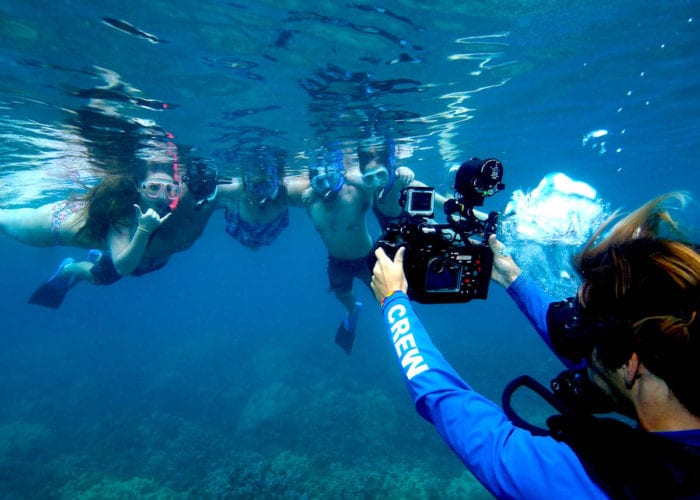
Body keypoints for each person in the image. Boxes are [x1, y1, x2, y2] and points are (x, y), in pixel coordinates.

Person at [370, 193, 699, 498]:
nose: (575, 337)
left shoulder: (604, 482)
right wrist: (512, 276)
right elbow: (586, 347)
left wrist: (394, 302)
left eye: (585, 328)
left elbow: (446, 403)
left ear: (631, 363)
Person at [302, 147, 375, 354]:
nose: (327, 188)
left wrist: (350, 176)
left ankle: (394, 321)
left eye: (331, 179)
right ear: (312, 184)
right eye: (319, 182)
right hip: (336, 261)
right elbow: (281, 189)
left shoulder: (357, 194)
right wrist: (309, 189)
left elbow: (375, 183)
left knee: (383, 295)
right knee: (341, 293)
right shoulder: (308, 201)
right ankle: (353, 310)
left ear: (340, 176)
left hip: (366, 259)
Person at [221, 147, 307, 250]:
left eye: (266, 185)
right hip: (264, 219)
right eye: (256, 186)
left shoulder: (234, 196)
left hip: (256, 220)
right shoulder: (234, 195)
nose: (262, 193)